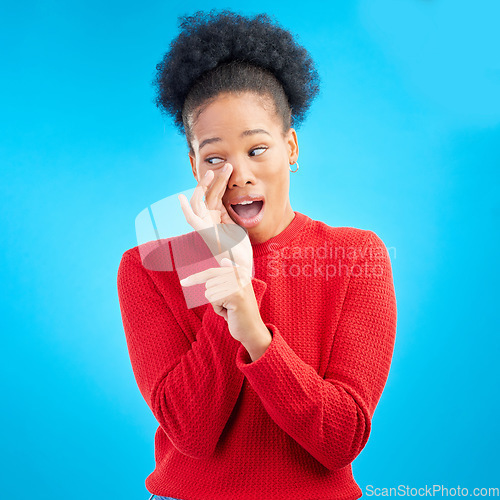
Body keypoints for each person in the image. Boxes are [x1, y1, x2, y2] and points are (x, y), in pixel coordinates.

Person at [117, 9, 397, 500]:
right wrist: (223, 267)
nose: (239, 174)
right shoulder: (145, 269)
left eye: (257, 149)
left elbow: (340, 441)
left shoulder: (357, 257)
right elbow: (192, 434)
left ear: (290, 147)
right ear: (194, 164)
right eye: (215, 157)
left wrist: (253, 329)